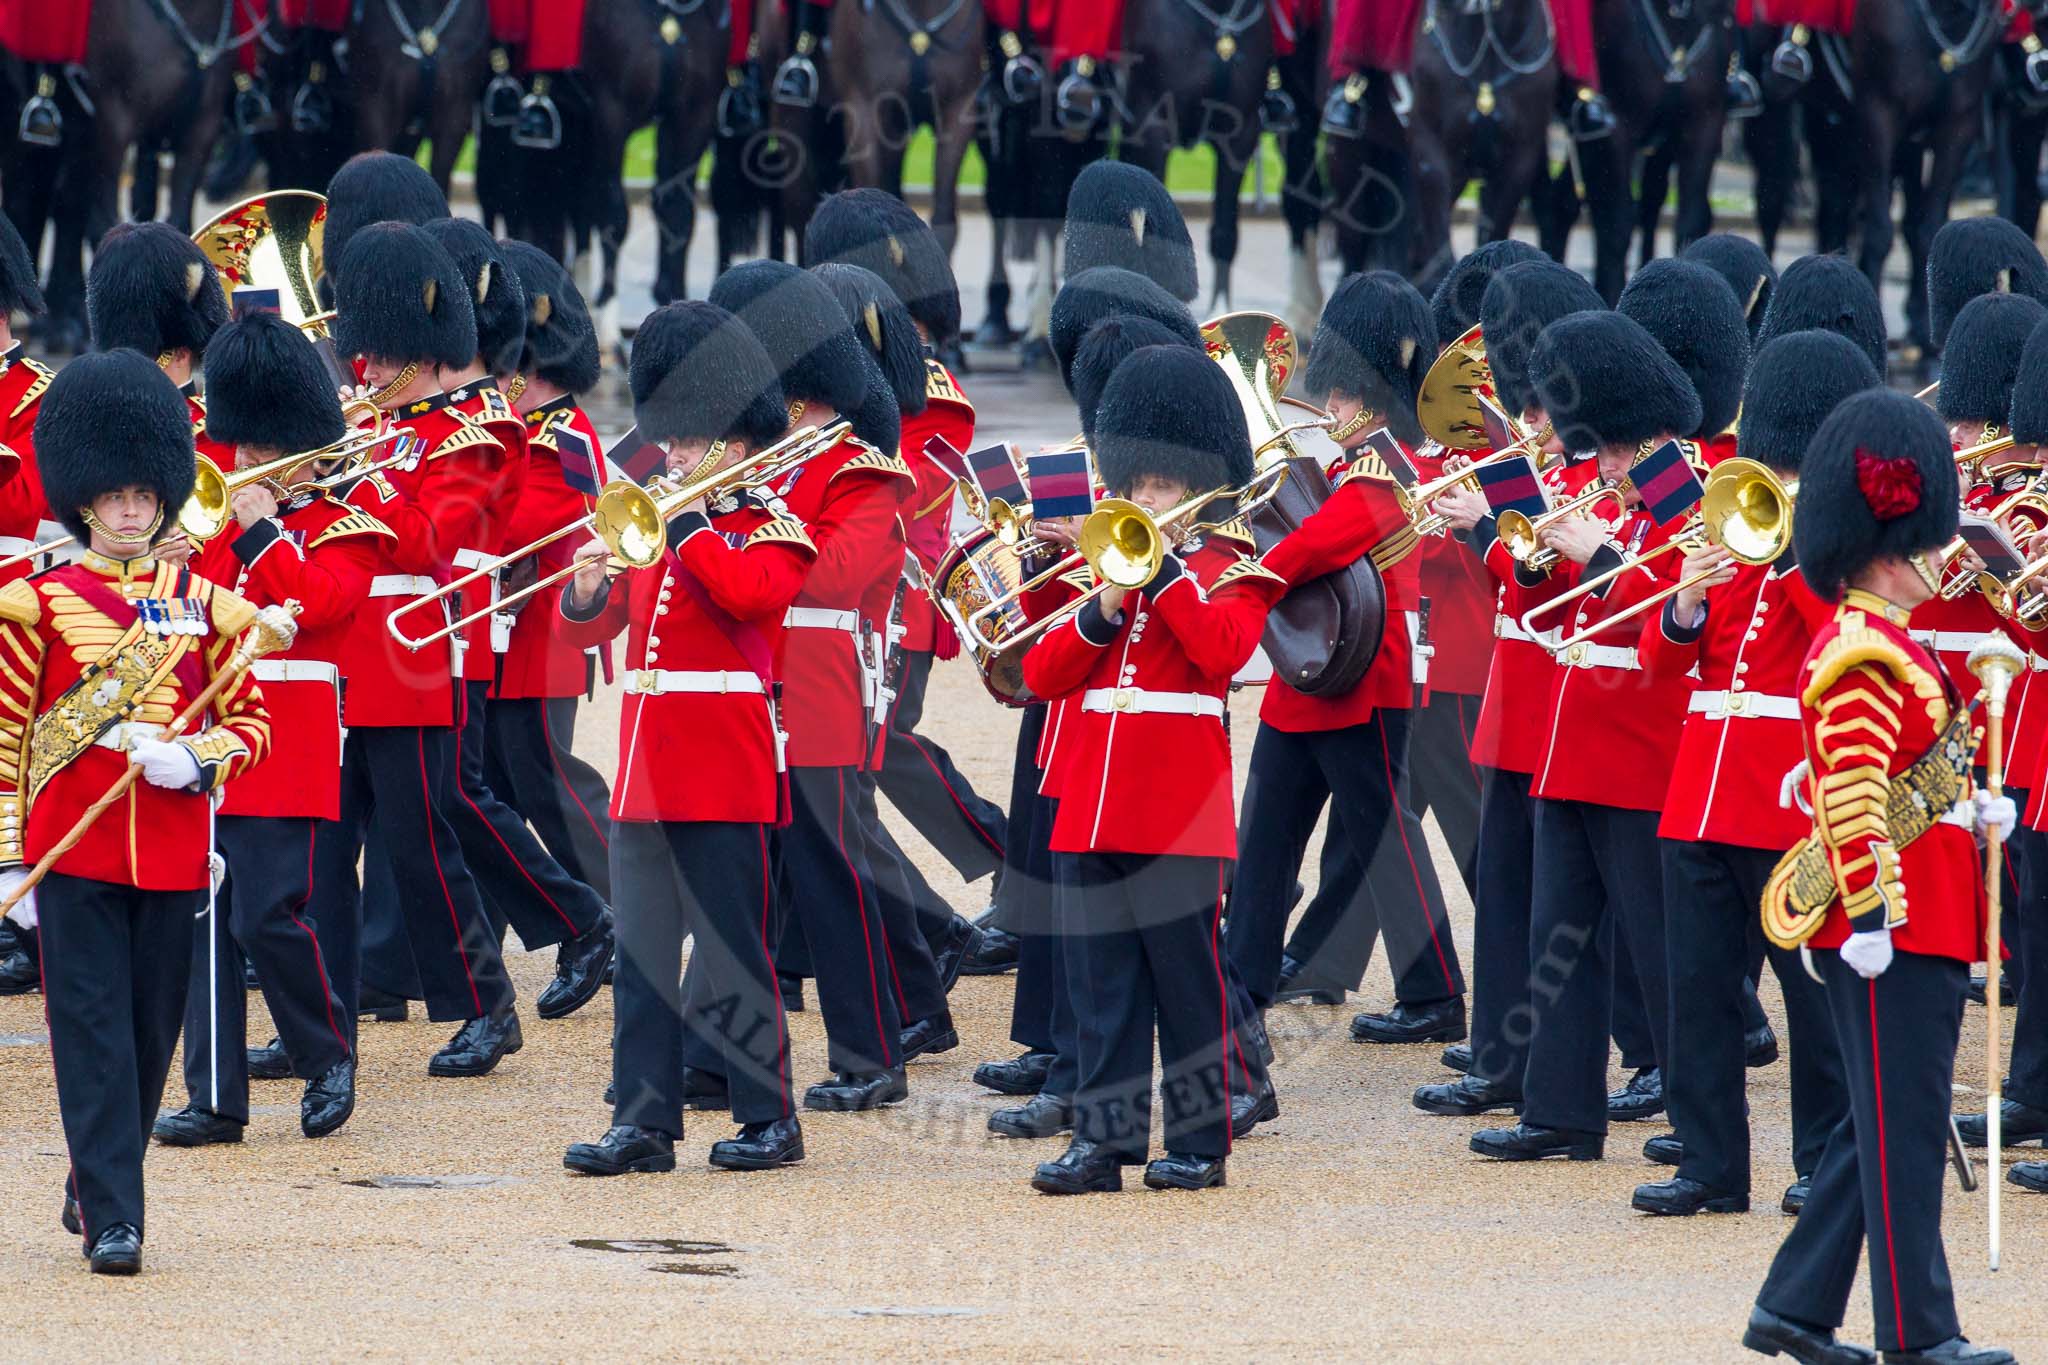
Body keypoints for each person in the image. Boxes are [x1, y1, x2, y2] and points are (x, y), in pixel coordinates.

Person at [1744, 387, 2015, 1365]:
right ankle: (1916, 1335)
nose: (1931, 561)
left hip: (1929, 912)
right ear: (1881, 547)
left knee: (1880, 1132)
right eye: (1918, 545)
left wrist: (1972, 803)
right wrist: (1865, 916)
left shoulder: (1889, 642)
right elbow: (1850, 795)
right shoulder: (1859, 651)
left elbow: (1913, 773)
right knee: (1902, 1142)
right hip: (1889, 925)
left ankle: (1792, 1308)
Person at [0, 351, 278, 1273]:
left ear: (161, 497)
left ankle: (93, 1173)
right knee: (88, 1033)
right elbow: (6, 750)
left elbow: (253, 727)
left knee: (150, 1036)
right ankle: (120, 1216)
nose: (128, 511)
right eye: (112, 497)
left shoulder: (211, 611)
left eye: (141, 496)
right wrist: (8, 860)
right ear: (85, 501)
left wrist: (191, 759)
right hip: (69, 859)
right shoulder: (32, 606)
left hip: (169, 853)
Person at [1025, 343, 1286, 1196]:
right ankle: (1103, 1144)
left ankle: (1201, 1143)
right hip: (1092, 800)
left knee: (1186, 982)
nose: (1142, 498)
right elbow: (1041, 673)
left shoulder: (1233, 570)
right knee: (1098, 984)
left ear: (1197, 481)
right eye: (1134, 482)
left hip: (1177, 804)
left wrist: (1164, 572)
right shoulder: (1106, 566)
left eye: (1160, 485)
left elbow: (1221, 652)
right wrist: (1103, 602)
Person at [561, 301, 811, 1176]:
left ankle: (768, 1115)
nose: (669, 458)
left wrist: (690, 520)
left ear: (737, 446)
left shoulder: (770, 526)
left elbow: (748, 595)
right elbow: (604, 629)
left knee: (734, 946)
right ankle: (644, 1120)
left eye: (688, 444)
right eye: (669, 442)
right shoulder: (660, 525)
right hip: (646, 762)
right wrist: (590, 588)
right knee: (642, 951)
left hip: (721, 758)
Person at [1630, 330, 1876, 1219]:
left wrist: (1799, 549)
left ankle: (1821, 1160)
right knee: (1696, 990)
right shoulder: (1732, 532)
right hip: (1701, 789)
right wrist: (1689, 596)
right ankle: (1709, 1163)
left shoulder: (1836, 551)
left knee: (1810, 996)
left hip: (1786, 797)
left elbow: (1839, 637)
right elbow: (1665, 666)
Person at [1468, 311, 1701, 1163]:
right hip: (1574, 743)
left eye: (1613, 452)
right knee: (1556, 938)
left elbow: (1673, 628)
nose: (1602, 468)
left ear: (1654, 436)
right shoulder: (1624, 502)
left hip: (1638, 749)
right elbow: (1550, 610)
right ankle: (1560, 1110)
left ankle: (1696, 1115)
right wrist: (1536, 553)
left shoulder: (1690, 500)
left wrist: (1599, 553)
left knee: (1658, 946)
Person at [1225, 270, 1466, 1051]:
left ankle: (1433, 991)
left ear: (1366, 393)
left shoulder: (1381, 469)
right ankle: (1238, 990)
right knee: (1264, 836)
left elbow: (1312, 548)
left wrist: (1236, 565)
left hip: (1364, 678)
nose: (1326, 405)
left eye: (1338, 393)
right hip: (1315, 674)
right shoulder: (1354, 463)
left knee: (1386, 841)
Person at [153, 313, 371, 1149]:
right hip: (211, 733)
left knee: (270, 914)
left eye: (266, 448)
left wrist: (260, 528)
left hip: (288, 737)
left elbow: (319, 606)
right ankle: (216, 1096)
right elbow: (179, 620)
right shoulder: (206, 521)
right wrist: (172, 556)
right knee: (207, 914)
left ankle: (327, 1052)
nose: (248, 462)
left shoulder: (348, 522)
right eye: (243, 446)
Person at [706, 259, 914, 1112]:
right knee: (734, 877)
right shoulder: (763, 456)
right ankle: (713, 1049)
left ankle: (873, 1054)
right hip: (748, 685)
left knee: (833, 875)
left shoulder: (859, 470)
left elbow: (824, 581)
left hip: (819, 688)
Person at [321, 221, 524, 1076]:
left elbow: (425, 545)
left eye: (378, 355)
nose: (363, 370)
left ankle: (485, 1004)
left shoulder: (480, 433)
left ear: (422, 343)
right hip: (340, 658)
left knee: (421, 843)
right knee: (322, 850)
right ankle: (318, 1022)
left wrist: (354, 473)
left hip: (409, 663)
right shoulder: (387, 423)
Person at [490, 240, 617, 910]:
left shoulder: (561, 432)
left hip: (543, 634)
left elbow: (521, 528)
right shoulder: (519, 421)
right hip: (501, 636)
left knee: (551, 784)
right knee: (495, 786)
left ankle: (622, 903)